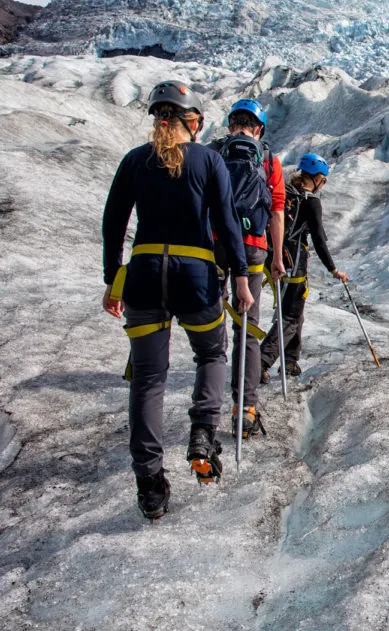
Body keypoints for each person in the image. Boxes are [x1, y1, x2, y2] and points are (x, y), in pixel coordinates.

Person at [102, 80, 254, 520]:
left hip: (145, 276)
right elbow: (227, 222)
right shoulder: (208, 160)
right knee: (211, 353)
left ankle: (150, 484)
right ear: (194, 122)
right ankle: (203, 434)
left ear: (158, 118)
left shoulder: (135, 160)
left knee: (148, 378)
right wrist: (241, 278)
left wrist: (114, 280)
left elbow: (113, 224)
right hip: (196, 277)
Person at [206, 98, 285, 439]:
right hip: (253, 249)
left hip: (213, 245)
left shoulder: (212, 153)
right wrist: (278, 258)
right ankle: (246, 407)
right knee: (247, 328)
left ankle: (206, 412)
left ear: (230, 124)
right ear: (259, 128)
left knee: (209, 327)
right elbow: (277, 212)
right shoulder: (268, 159)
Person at [260, 153, 348, 385]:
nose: (323, 185)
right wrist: (333, 269)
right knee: (290, 314)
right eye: (324, 180)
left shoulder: (286, 193)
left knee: (293, 311)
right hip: (294, 261)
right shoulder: (310, 201)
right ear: (317, 178)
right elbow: (319, 239)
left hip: (273, 259)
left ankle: (290, 360)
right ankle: (261, 361)